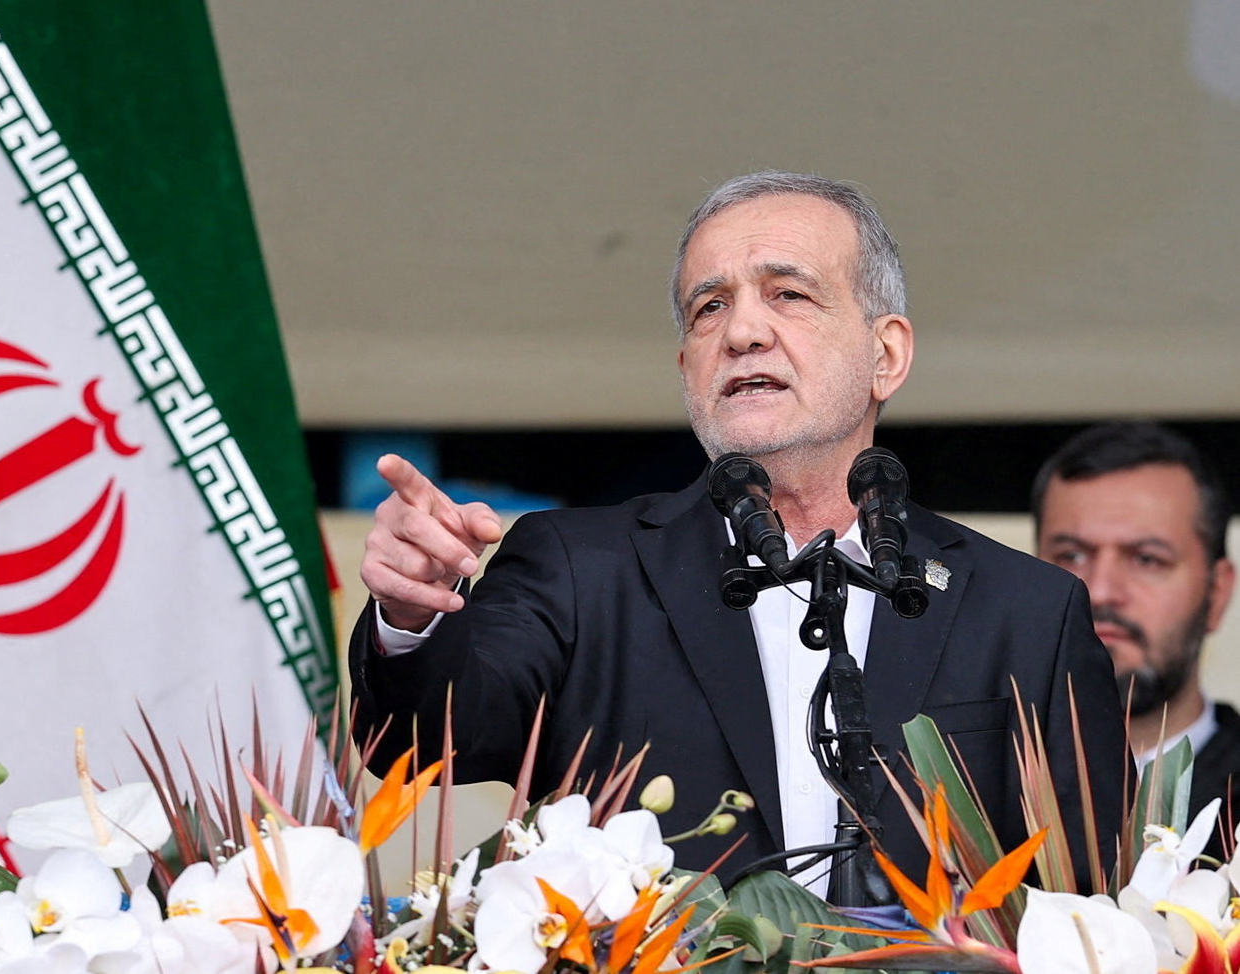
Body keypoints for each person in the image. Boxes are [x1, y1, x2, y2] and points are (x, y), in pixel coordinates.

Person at [350, 170, 1128, 893]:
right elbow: (422, 744)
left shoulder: (1026, 611)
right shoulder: (583, 569)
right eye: (709, 307)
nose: (742, 331)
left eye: (787, 294)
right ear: (685, 366)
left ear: (885, 354)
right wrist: (414, 616)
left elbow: (1093, 898)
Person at [1034, 422, 1238, 857]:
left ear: (1217, 592)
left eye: (1147, 559)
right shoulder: (966, 787)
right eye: (1071, 555)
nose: (1100, 590)